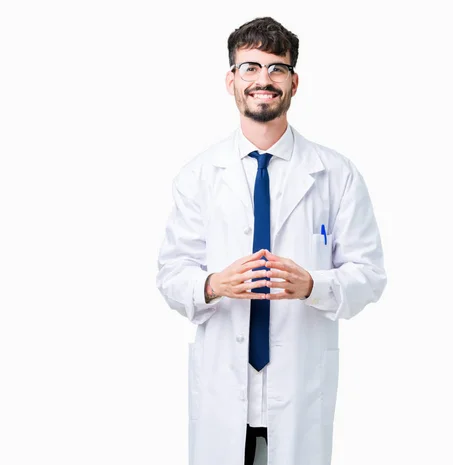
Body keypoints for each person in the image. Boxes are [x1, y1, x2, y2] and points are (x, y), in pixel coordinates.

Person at [156, 16, 387, 465]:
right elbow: (170, 273)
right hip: (223, 390)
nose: (264, 79)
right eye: (251, 67)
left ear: (294, 82)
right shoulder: (199, 176)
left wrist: (314, 286)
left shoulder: (335, 174)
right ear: (231, 80)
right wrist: (212, 285)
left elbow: (371, 275)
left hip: (300, 386)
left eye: (277, 68)